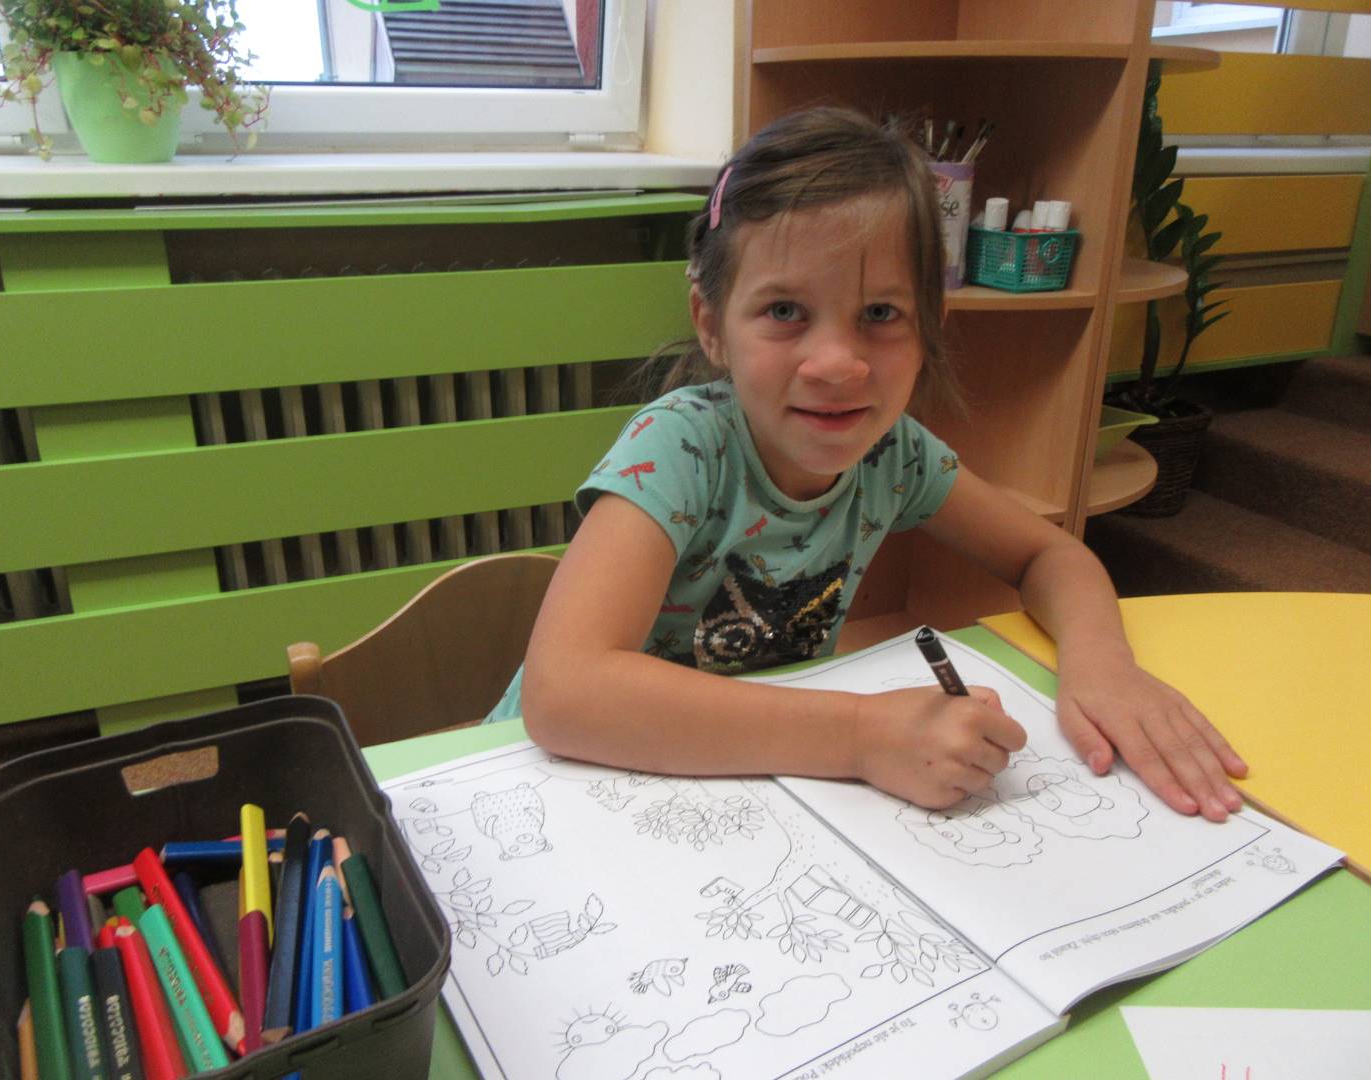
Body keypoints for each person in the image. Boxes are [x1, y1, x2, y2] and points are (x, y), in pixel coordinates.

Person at [501, 106, 1247, 822]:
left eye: (881, 314)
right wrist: (860, 736)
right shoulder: (681, 448)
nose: (837, 364)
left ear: (931, 328)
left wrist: (1102, 665)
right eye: (785, 312)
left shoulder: (895, 455)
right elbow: (565, 694)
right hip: (553, 783)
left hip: (744, 786)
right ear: (712, 324)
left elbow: (1048, 555)